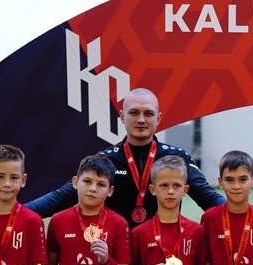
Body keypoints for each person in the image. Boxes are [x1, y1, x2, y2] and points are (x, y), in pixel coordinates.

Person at [27, 88, 224, 226]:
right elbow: (62, 197)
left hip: (160, 254)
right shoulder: (105, 160)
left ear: (158, 118)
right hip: (116, 256)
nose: (141, 120)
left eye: (148, 114)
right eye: (134, 113)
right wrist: (19, 213)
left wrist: (242, 213)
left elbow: (207, 197)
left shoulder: (177, 158)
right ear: (122, 116)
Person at [45, 155, 131, 265]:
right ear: (75, 182)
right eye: (87, 181)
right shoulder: (58, 220)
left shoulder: (119, 223)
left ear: (110, 191)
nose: (93, 188)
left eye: (101, 184)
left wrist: (107, 262)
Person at [129, 155, 209, 265]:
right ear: (152, 189)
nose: (171, 191)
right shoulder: (138, 233)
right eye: (164, 185)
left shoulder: (197, 231)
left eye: (177, 185)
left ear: (185, 190)